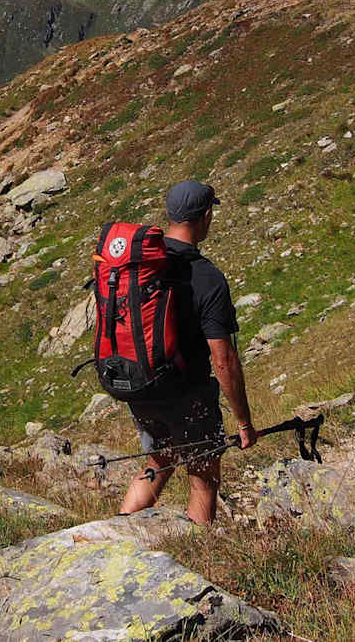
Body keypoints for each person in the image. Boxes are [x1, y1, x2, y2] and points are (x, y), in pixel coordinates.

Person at [119, 180, 256, 525]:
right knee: (203, 480)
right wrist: (244, 422)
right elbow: (223, 361)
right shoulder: (207, 278)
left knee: (159, 461)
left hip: (142, 388)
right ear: (206, 216)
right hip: (189, 396)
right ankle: (198, 553)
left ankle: (118, 529)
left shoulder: (140, 265)